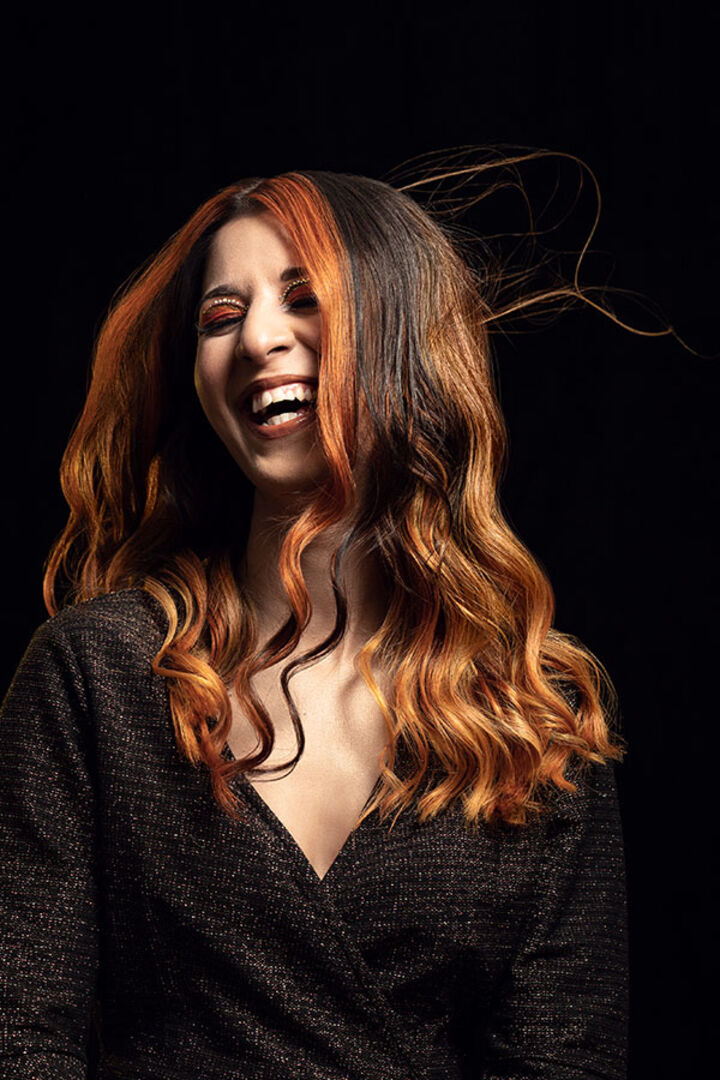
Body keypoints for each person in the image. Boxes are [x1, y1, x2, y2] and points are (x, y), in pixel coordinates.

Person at [0, 155, 631, 1079]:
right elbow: (21, 1037)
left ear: (402, 335)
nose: (258, 338)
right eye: (221, 317)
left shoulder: (532, 720)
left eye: (305, 298)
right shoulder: (96, 674)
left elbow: (565, 1059)